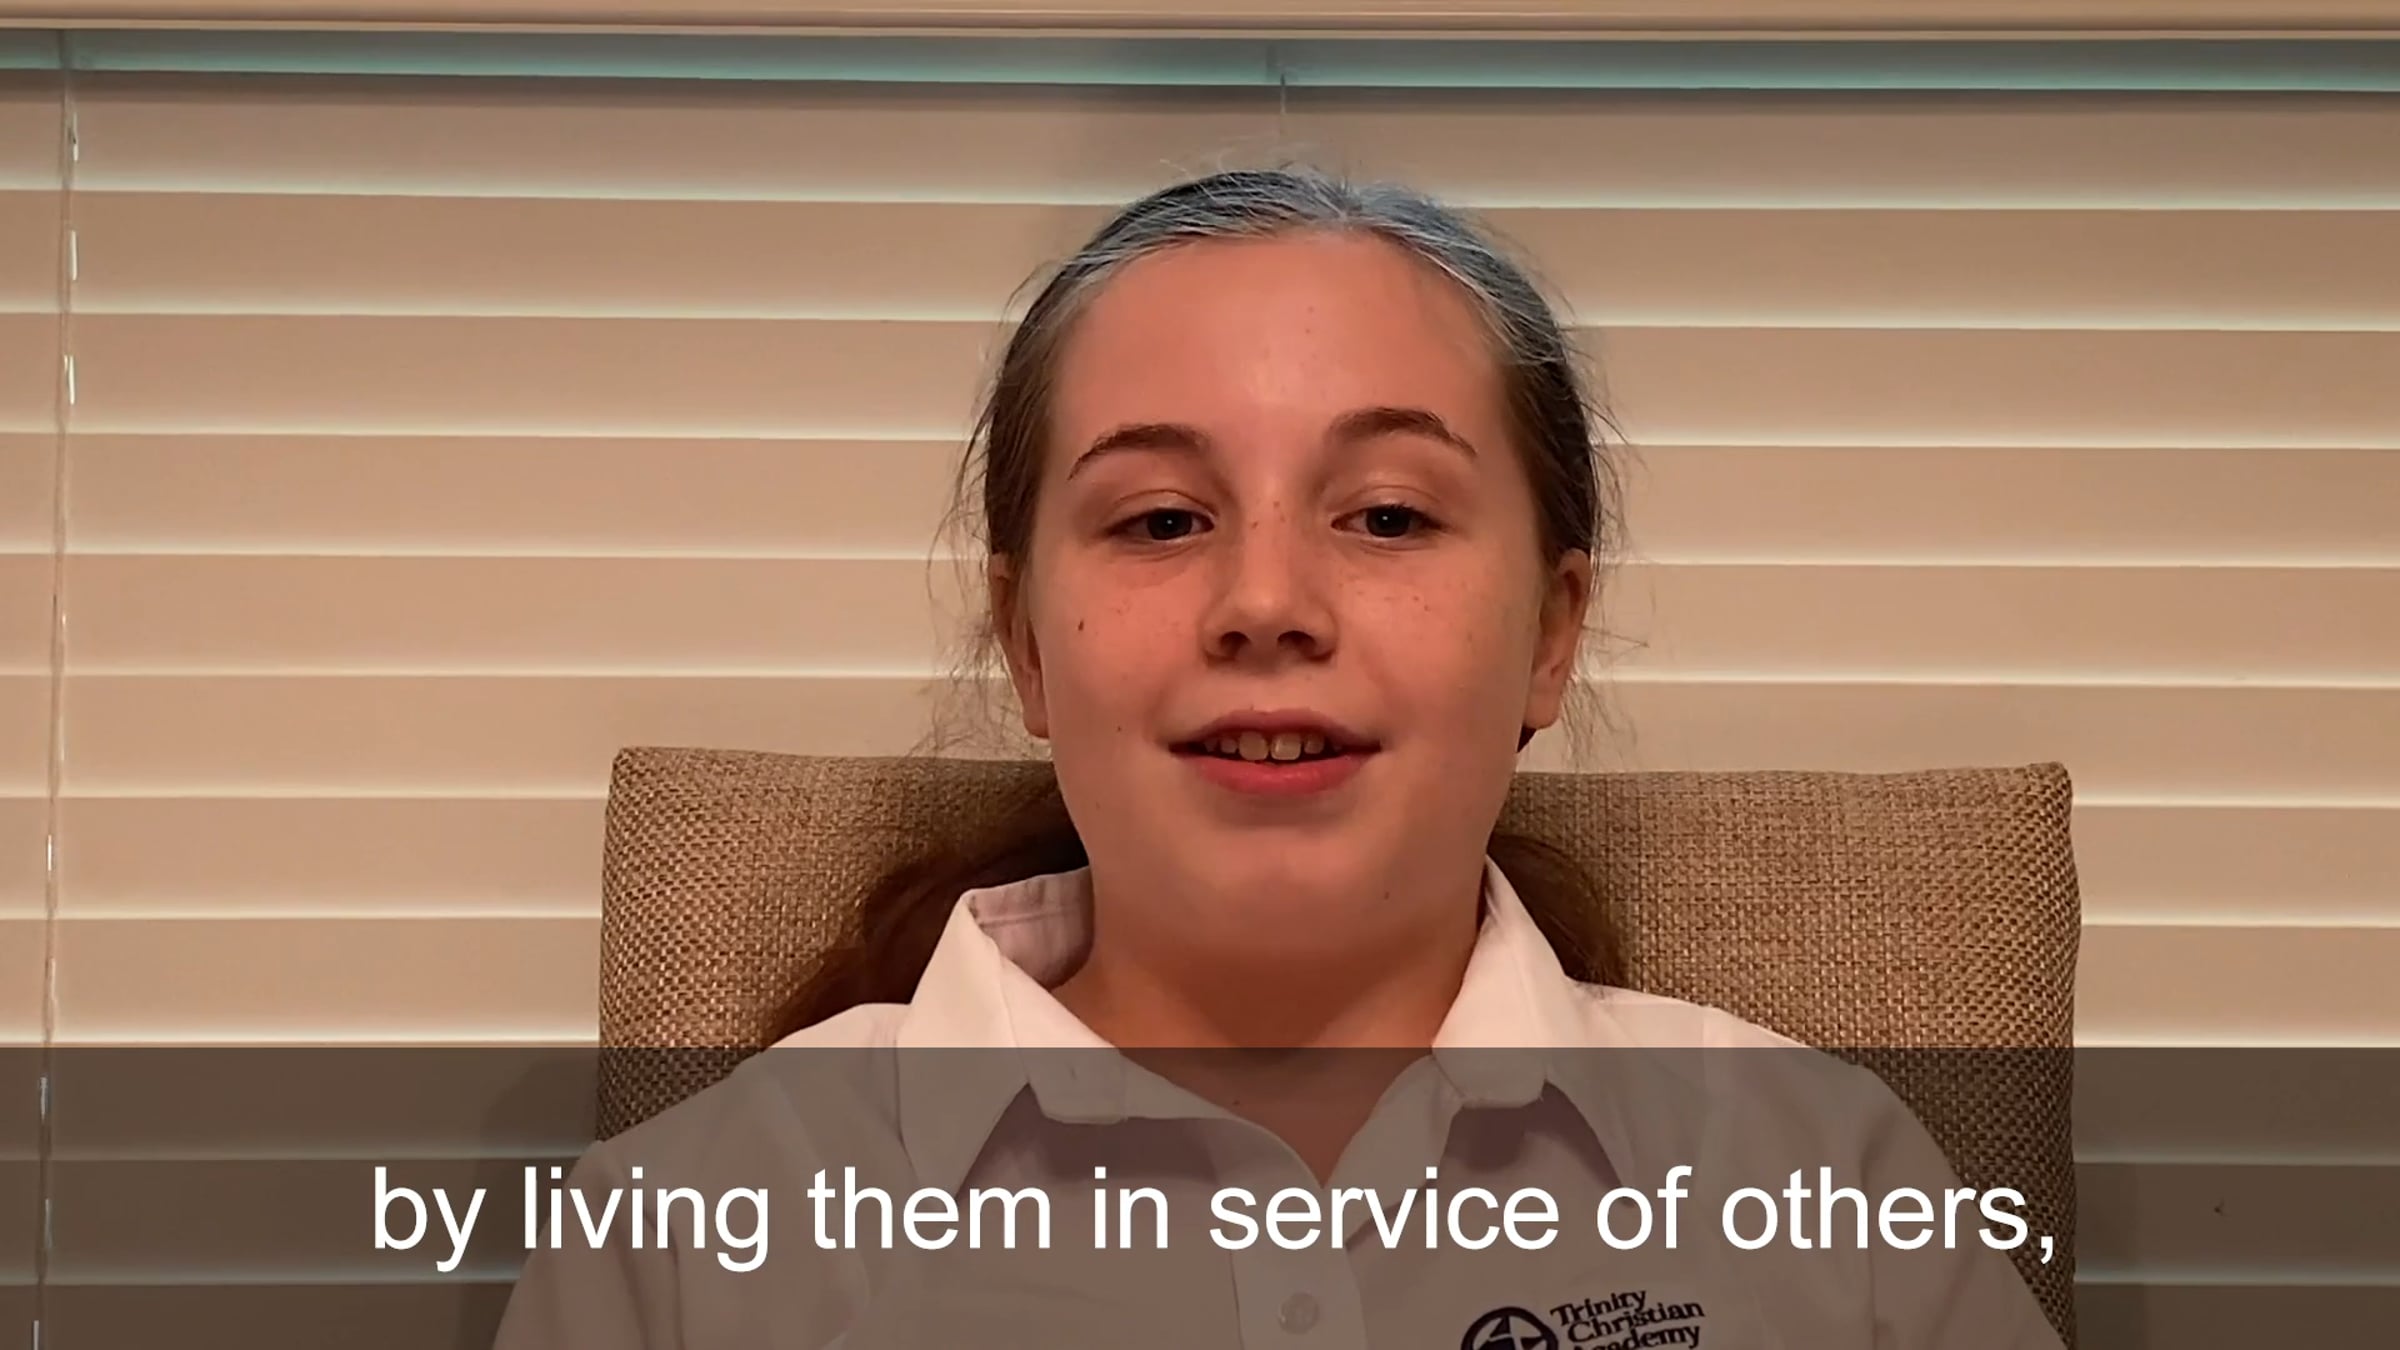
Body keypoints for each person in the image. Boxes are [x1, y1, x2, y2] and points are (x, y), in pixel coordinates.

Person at [493, 167, 2063, 1350]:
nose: (1266, 602)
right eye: (1162, 519)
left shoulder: (1831, 1183)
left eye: (1385, 514)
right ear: (1027, 642)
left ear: (1551, 632)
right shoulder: (679, 1243)